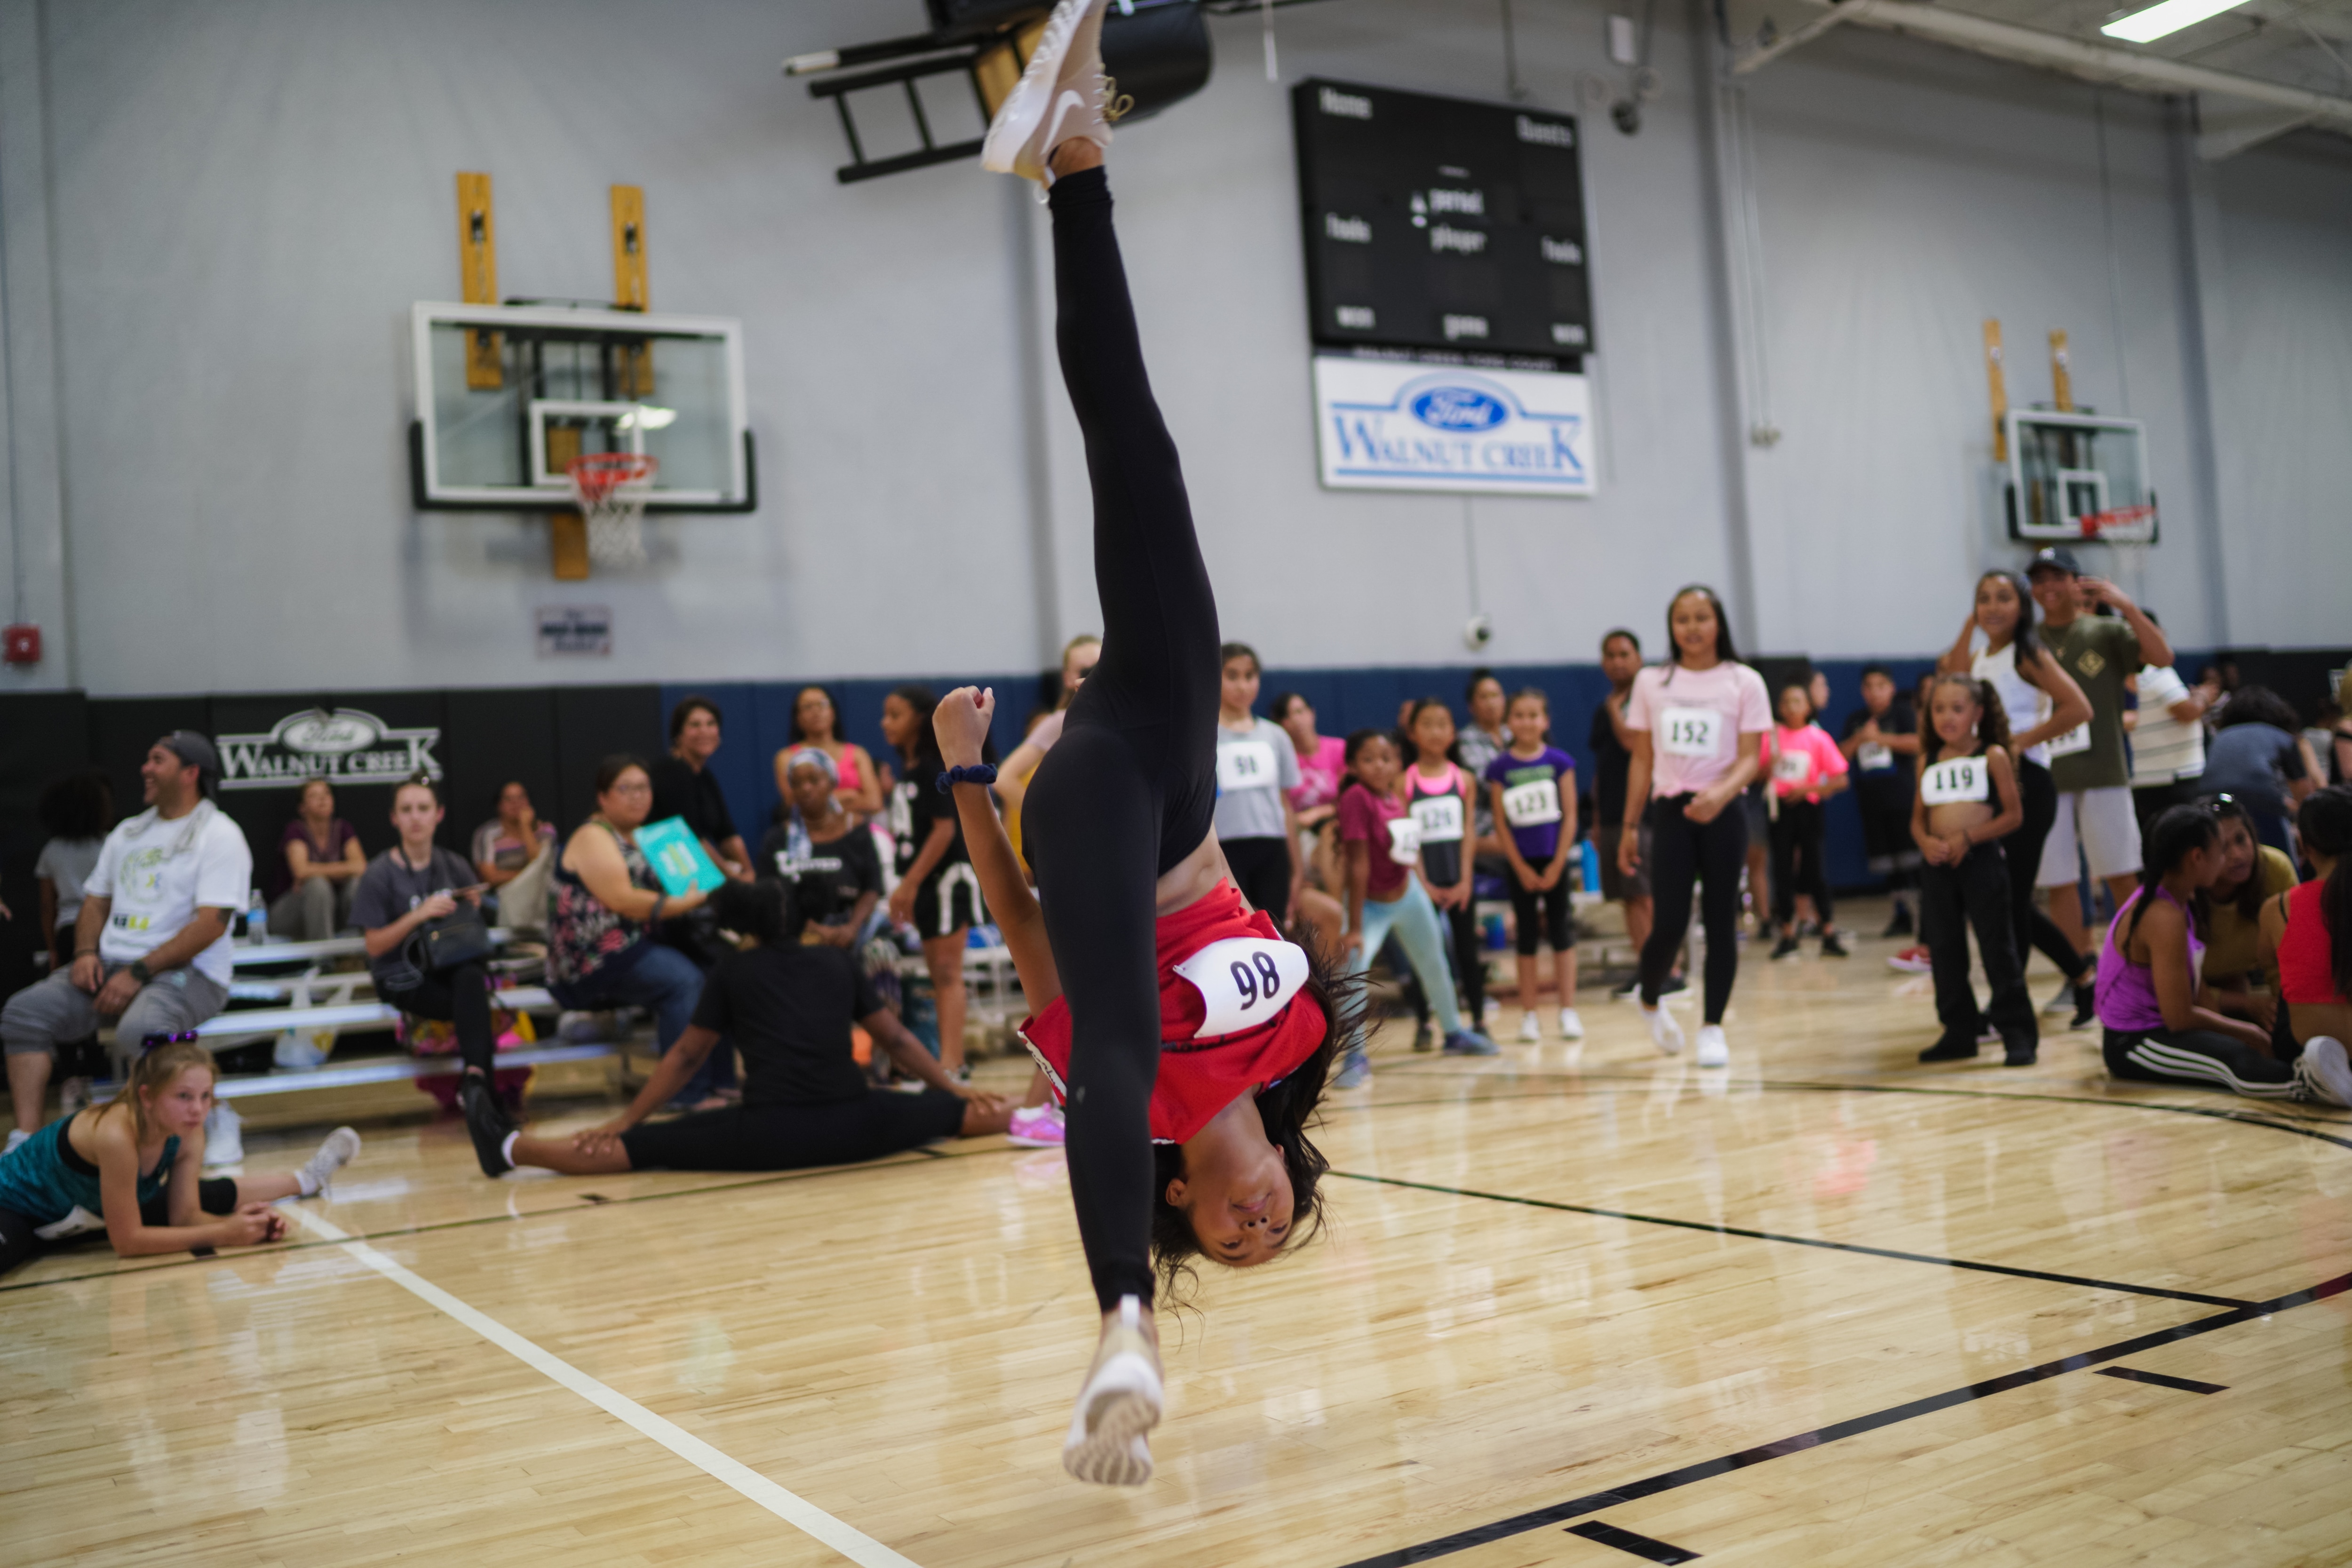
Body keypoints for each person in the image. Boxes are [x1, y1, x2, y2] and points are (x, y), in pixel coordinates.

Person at [977, 38, 1342, 1481]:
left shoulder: (1154, 1124)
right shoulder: (1301, 1039)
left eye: (1230, 1242)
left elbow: (1026, 933)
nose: (1254, 1225)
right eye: (1279, 1225)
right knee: (1140, 455)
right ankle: (1077, 156)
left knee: (1113, 1066)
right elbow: (1299, 926)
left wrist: (965, 776)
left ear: (1184, 1208)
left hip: (1092, 804)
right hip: (1168, 757)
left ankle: (1121, 1327)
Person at [465, 879, 1013, 1180]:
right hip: (856, 1126)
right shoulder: (836, 962)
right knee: (957, 1113)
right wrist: (954, 1087)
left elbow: (685, 1058)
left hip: (769, 1135)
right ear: (801, 920)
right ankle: (1058, 1104)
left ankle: (513, 1149)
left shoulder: (733, 970)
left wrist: (628, 1118)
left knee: (646, 1145)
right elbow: (895, 1039)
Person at [3, 734, 248, 1148]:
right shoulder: (128, 832)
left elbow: (211, 925)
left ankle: (197, 1127)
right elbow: (94, 903)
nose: (144, 769)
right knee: (22, 1013)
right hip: (114, 966)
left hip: (192, 973)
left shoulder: (220, 834)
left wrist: (139, 972)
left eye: (158, 760)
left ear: (190, 774)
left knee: (144, 1030)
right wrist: (83, 954)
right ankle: (24, 1142)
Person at [0, 1038, 357, 1279]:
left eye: (205, 1096)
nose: (198, 1109)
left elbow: (184, 1215)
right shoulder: (116, 1134)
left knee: (203, 1196)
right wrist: (226, 1232)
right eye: (184, 1096)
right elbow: (127, 1243)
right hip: (17, 1208)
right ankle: (307, 1179)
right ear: (148, 1096)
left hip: (82, 1217)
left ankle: (309, 1178)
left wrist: (250, 1226)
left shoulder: (189, 1130)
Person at [1940, 567, 2099, 1026]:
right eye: (1983, 598)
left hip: (2028, 783)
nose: (1992, 607)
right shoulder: (1978, 657)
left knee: (2006, 901)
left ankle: (2008, 1005)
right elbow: (1952, 672)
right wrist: (1970, 625)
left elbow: (2078, 707)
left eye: (2003, 598)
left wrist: (2019, 742)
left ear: (2021, 606)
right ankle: (2079, 976)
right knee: (2003, 900)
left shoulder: (2027, 653)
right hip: (1989, 784)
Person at [1619, 586, 1770, 1067]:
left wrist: (1720, 795)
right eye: (1682, 619)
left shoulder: (1744, 681)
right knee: (1668, 922)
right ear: (1671, 627)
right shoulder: (1651, 682)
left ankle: (1712, 1027)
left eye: (1701, 617)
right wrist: (1628, 825)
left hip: (1723, 810)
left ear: (1718, 623)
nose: (1692, 627)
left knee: (1721, 920)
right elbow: (1641, 758)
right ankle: (1649, 1000)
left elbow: (1752, 757)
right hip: (1671, 813)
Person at [2093, 804, 2336, 1103]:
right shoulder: (2163, 916)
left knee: (2244, 1045)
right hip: (2134, 1042)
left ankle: (2316, 1075)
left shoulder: (2177, 902)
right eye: (2220, 850)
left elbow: (2197, 995)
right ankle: (2311, 1086)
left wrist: (2243, 1033)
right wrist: (2247, 1032)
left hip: (2159, 1031)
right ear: (2197, 858)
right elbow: (2180, 1018)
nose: (2227, 858)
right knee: (2230, 1059)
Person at [2023, 546, 2173, 981]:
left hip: (2103, 769)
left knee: (2120, 871)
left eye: (2057, 576)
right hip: (2046, 776)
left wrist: (2126, 605)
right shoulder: (2025, 640)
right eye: (2039, 579)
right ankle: (2081, 974)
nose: (2048, 587)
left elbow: (2163, 658)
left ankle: (2135, 961)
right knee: (2059, 880)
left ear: (2078, 582)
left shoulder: (2105, 630)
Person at [543, 756, 719, 1110]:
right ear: (603, 797)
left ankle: (723, 1083)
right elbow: (624, 900)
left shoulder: (650, 836)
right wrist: (689, 900)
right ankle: (683, 1094)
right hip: (594, 958)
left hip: (637, 945)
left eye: (643, 788)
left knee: (719, 970)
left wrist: (714, 877)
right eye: (626, 789)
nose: (638, 796)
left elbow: (699, 875)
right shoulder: (594, 835)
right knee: (684, 982)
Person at [351, 774, 505, 1160]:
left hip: (450, 965)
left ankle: (475, 1083)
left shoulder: (453, 863)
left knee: (471, 979)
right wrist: (418, 915)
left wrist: (472, 903)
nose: (416, 817)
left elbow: (477, 919)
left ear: (439, 815)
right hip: (401, 975)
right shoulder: (378, 873)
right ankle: (483, 1097)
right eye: (407, 810)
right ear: (394, 818)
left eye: (423, 809)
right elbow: (374, 945)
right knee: (474, 1004)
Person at [1335, 726, 1494, 1074]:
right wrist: (1356, 925)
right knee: (1352, 972)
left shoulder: (1393, 797)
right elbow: (1358, 865)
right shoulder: (1356, 799)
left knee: (1435, 961)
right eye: (1369, 759)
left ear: (1397, 762)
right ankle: (1354, 1056)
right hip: (1370, 904)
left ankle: (1453, 1032)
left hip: (1408, 894)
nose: (1379, 766)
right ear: (1352, 766)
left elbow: (1405, 850)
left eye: (1386, 758)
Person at [1909, 675, 2036, 1065]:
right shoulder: (1926, 762)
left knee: (1997, 946)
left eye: (1957, 709)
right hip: (1937, 867)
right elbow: (1918, 820)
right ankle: (1959, 1030)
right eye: (1938, 709)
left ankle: (2017, 1031)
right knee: (1945, 949)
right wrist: (1926, 841)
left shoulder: (1992, 756)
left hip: (1980, 861)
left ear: (1978, 713)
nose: (1947, 717)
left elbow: (2014, 815)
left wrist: (1970, 837)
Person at [882, 684, 985, 1080]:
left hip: (946, 878)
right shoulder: (907, 770)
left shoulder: (931, 765)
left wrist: (908, 884)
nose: (885, 723)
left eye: (895, 714)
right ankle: (947, 1061)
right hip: (924, 880)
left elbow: (944, 831)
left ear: (919, 719)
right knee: (937, 971)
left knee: (946, 972)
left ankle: (952, 1064)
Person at [1483, 689, 1582, 1043]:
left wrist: (1558, 862)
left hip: (1555, 860)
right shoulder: (1501, 767)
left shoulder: (1560, 762)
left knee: (1562, 933)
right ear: (1509, 722)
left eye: (1533, 715)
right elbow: (1501, 821)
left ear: (1546, 720)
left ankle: (1568, 1010)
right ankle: (1529, 1014)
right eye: (1519, 715)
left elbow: (1570, 816)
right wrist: (1519, 866)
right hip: (1520, 864)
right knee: (1526, 937)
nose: (1526, 722)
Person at [1593, 631, 1684, 1000]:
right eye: (1610, 655)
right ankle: (1647, 968)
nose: (1617, 661)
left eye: (1624, 654)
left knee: (1646, 895)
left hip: (1644, 816)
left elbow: (1633, 744)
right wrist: (1598, 819)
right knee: (1629, 898)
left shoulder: (1649, 699)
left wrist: (1617, 711)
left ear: (1639, 658)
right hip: (1613, 815)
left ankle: (1670, 972)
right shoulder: (1605, 706)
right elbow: (1603, 766)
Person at [2261, 787, 2352, 1104]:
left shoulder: (2278, 907)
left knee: (2285, 987)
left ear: (2305, 844)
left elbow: (2266, 963)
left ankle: (2317, 1068)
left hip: (2305, 1040)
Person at [1403, 698, 1486, 1038]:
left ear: (1453, 732)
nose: (1435, 732)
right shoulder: (1404, 781)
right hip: (1423, 882)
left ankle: (1479, 1019)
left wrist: (1466, 878)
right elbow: (1408, 837)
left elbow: (1469, 832)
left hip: (1459, 879)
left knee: (1467, 950)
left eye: (1443, 724)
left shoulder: (1464, 778)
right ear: (1413, 732)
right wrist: (1422, 882)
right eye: (1427, 724)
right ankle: (1424, 1021)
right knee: (1424, 951)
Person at [1212, 644, 1304, 927]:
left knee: (1273, 929)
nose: (1243, 685)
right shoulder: (1205, 736)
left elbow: (1285, 804)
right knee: (1236, 930)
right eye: (1233, 676)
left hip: (1271, 849)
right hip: (1223, 850)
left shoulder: (1275, 737)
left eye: (1250, 676)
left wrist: (1297, 867)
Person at [2194, 794, 2299, 1038]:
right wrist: (2246, 1003)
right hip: (2191, 997)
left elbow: (2292, 953)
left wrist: (2281, 1009)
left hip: (2240, 982)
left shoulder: (2275, 868)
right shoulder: (2187, 888)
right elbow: (2181, 990)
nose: (2238, 855)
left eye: (2242, 840)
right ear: (2198, 856)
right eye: (2223, 848)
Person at [1762, 681, 1852, 960]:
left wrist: (1809, 790)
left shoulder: (1818, 738)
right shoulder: (1772, 738)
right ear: (1779, 708)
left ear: (1808, 707)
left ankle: (1827, 930)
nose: (1791, 707)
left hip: (1808, 810)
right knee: (1782, 870)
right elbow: (1756, 771)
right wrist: (1769, 765)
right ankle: (1788, 933)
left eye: (1797, 701)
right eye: (1786, 702)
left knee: (1815, 870)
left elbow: (1841, 779)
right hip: (1779, 811)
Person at [760, 748, 884, 947]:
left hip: (849, 934)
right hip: (795, 939)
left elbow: (872, 887)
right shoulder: (776, 839)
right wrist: (812, 930)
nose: (806, 788)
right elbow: (767, 895)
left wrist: (852, 927)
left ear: (832, 783)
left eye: (814, 780)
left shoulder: (856, 833)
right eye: (797, 783)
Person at [995, 636, 1103, 864]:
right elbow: (1005, 779)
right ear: (1067, 678)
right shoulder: (1062, 721)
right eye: (1083, 669)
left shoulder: (1115, 717)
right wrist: (1053, 825)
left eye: (1098, 665)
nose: (1091, 674)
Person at [1838, 665, 1921, 939]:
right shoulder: (1856, 720)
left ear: (1892, 687)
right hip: (1872, 803)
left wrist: (1880, 738)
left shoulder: (1902, 713)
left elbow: (1919, 743)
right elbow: (1839, 757)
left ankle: (1925, 915)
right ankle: (1901, 913)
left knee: (1913, 860)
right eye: (1869, 687)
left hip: (1903, 800)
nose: (1874, 693)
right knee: (1888, 864)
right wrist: (1861, 738)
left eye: (1880, 686)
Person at [2202, 686, 2321, 859]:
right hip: (2262, 805)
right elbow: (2305, 799)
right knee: (2281, 859)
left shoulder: (2220, 737)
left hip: (2211, 803)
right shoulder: (2283, 737)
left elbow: (2235, 787)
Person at [649, 695, 753, 881]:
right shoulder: (673, 771)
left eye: (710, 724)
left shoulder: (705, 777)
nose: (704, 731)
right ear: (678, 736)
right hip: (663, 873)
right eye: (695, 725)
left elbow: (728, 834)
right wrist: (731, 877)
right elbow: (691, 838)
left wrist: (749, 874)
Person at [2123, 624, 2209, 836]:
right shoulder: (2158, 673)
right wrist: (2203, 696)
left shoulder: (2119, 675)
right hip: (2173, 779)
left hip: (2142, 780)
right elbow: (2187, 712)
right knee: (2184, 848)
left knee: (2153, 850)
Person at [268, 777, 367, 941]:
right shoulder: (295, 830)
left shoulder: (343, 828)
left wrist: (315, 871)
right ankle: (324, 962)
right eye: (314, 796)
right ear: (302, 808)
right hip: (291, 913)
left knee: (357, 884)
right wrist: (342, 870)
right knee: (317, 885)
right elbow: (301, 871)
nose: (322, 799)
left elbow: (361, 867)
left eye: (326, 794)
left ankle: (360, 955)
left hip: (333, 912)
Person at [34, 770, 112, 975]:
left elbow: (47, 906)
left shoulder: (52, 850)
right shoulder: (112, 843)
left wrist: (53, 949)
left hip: (68, 931)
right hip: (106, 927)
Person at [779, 684, 887, 820]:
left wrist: (821, 801)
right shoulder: (787, 757)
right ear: (798, 718)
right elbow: (794, 804)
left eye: (822, 704)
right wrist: (847, 796)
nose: (816, 711)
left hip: (856, 828)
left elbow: (874, 802)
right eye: (808, 707)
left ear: (833, 712)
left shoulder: (858, 754)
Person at [1272, 692, 1346, 828]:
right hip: (1298, 829)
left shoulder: (1339, 749)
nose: (1296, 719)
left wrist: (1318, 813)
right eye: (1287, 716)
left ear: (1312, 713)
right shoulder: (1280, 759)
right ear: (1279, 725)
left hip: (1338, 822)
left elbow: (1352, 799)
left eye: (1300, 711)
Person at [471, 780, 556, 892]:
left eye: (521, 797)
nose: (516, 803)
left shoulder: (545, 831)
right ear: (499, 805)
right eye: (509, 799)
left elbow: (539, 863)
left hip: (541, 891)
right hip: (503, 894)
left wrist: (525, 827)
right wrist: (529, 875)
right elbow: (491, 877)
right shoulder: (487, 833)